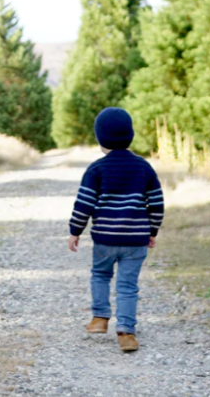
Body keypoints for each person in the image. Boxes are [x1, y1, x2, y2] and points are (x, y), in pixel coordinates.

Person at [68, 107, 164, 351]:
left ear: (100, 139)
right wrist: (152, 231)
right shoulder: (144, 168)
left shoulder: (96, 169)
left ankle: (100, 318)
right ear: (130, 135)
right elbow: (156, 202)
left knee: (100, 275)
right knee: (127, 286)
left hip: (105, 240)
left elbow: (84, 203)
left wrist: (75, 230)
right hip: (135, 241)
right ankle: (126, 334)